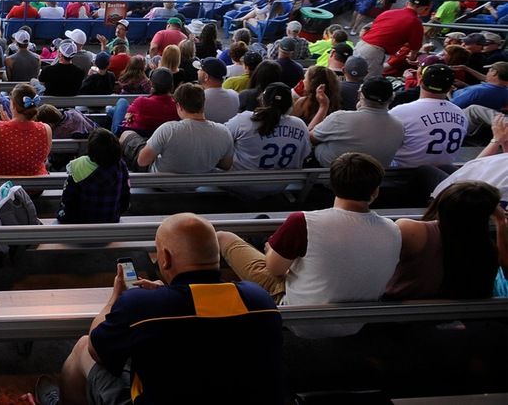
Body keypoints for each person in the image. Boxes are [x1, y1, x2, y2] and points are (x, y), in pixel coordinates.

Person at [50, 214, 281, 405]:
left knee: (82, 347)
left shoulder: (139, 305)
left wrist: (115, 299)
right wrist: (165, 295)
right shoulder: (259, 299)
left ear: (166, 258)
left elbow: (96, 349)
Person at [216, 152, 401, 337]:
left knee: (224, 237)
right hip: (354, 324)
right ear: (375, 191)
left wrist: (271, 250)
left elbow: (274, 270)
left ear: (332, 185)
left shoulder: (303, 221)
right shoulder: (393, 230)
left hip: (299, 318)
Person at [384, 180, 506, 300]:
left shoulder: (412, 230)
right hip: (460, 316)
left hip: (403, 312)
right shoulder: (484, 247)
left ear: (443, 203)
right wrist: (501, 223)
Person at [121, 83, 234, 173]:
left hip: (162, 184)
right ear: (203, 104)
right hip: (197, 184)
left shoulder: (168, 130)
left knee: (126, 134)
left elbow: (142, 161)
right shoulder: (224, 132)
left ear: (179, 106)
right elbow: (226, 165)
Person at [309, 77, 405, 167]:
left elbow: (309, 138)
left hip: (328, 175)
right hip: (373, 179)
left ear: (360, 95)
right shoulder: (399, 126)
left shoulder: (340, 118)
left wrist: (323, 106)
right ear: (392, 98)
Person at [389, 64, 467, 173]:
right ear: (450, 87)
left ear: (420, 81)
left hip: (404, 173)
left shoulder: (400, 111)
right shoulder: (460, 113)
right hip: (444, 173)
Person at [226, 83, 310, 171]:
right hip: (287, 183)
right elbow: (305, 154)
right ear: (290, 105)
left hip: (243, 183)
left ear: (262, 100)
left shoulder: (243, 120)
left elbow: (222, 141)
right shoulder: (300, 125)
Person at [58, 128, 130, 224]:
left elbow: (67, 199)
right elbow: (125, 196)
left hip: (82, 222)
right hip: (112, 219)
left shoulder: (79, 165)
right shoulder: (121, 165)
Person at [0, 84, 52, 176]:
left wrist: (6, 125)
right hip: (34, 186)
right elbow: (44, 157)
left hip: (0, 185)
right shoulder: (46, 129)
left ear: (14, 105)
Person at [354, 0, 430, 71]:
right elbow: (415, 46)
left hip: (360, 45)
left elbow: (368, 27)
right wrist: (412, 57)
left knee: (351, 73)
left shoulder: (389, 12)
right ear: (423, 8)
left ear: (408, 3)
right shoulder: (415, 22)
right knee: (368, 78)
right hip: (373, 51)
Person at [118, 68, 178, 137]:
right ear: (171, 85)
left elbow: (128, 112)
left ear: (151, 83)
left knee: (121, 102)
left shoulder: (141, 102)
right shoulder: (177, 107)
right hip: (161, 139)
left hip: (136, 138)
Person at [196, 57, 238, 124]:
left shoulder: (199, 99)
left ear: (206, 76)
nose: (197, 71)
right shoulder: (234, 95)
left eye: (200, 69)